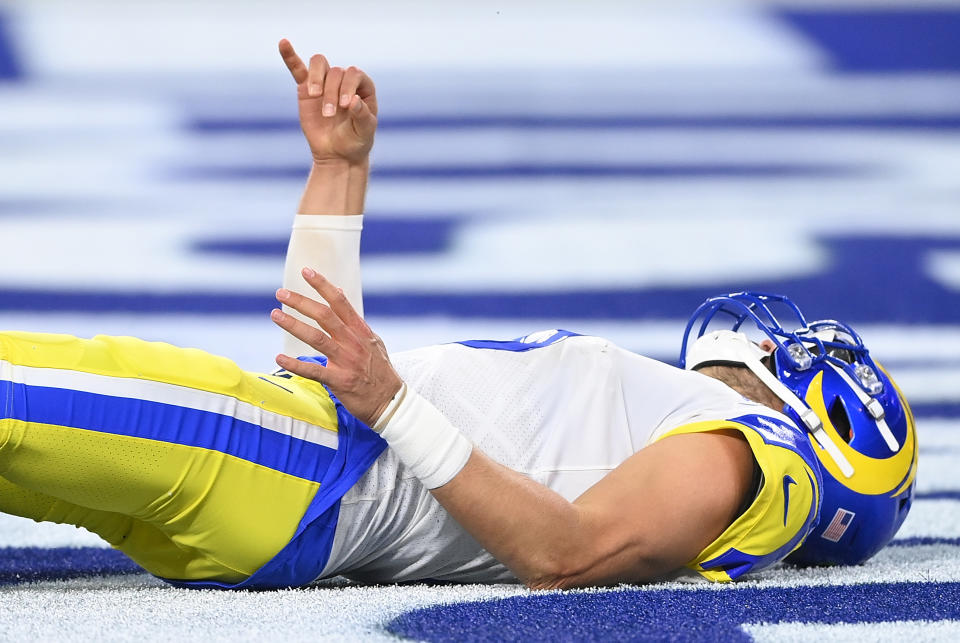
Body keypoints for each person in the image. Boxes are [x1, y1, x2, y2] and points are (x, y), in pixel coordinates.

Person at [0, 41, 916, 591]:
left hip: (303, 473)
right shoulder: (683, 426)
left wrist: (391, 401)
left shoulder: (755, 454)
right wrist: (340, 173)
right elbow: (323, 379)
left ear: (837, 421)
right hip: (294, 469)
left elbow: (569, 552)